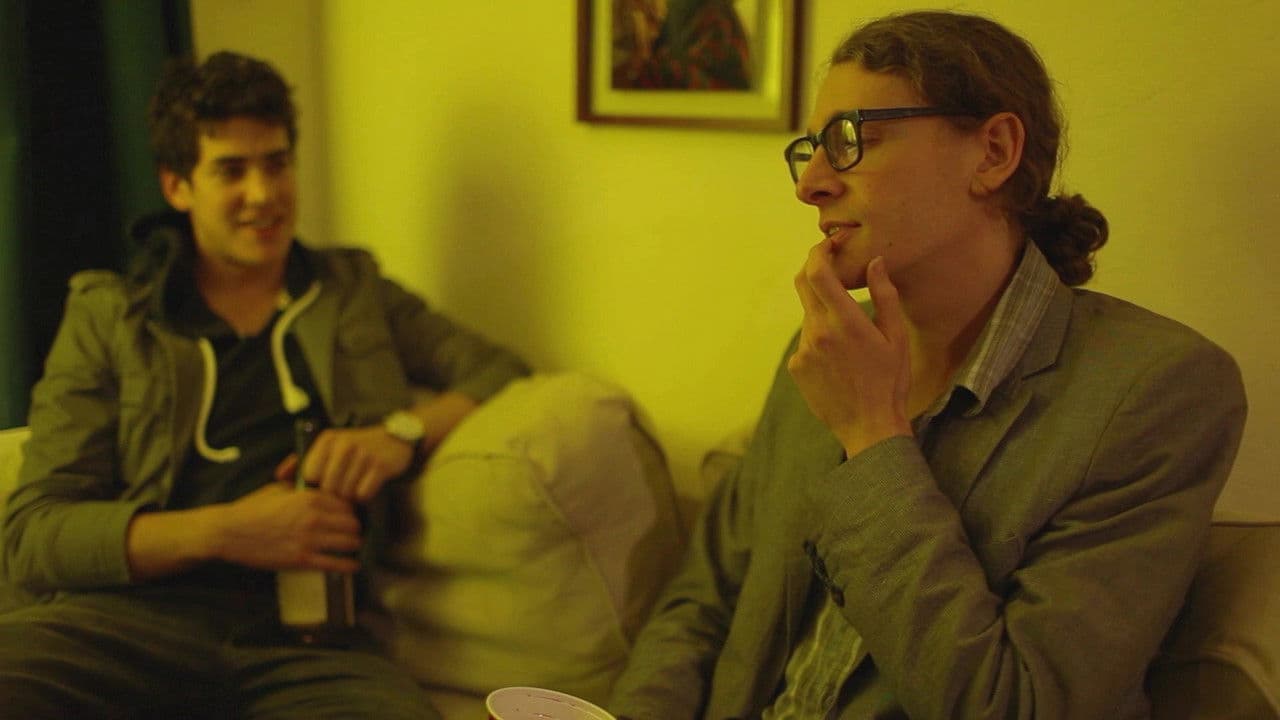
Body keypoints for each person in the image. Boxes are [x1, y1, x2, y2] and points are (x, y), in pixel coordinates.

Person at [609, 10, 1246, 720]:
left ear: (993, 153)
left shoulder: (1157, 392)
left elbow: (1019, 705)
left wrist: (872, 436)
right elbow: (702, 605)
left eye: (851, 140)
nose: (810, 184)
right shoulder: (824, 349)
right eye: (811, 149)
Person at [0, 51, 529, 718]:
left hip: (310, 641)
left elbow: (496, 369)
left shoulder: (352, 290)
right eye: (231, 170)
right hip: (126, 624)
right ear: (177, 187)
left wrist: (400, 434)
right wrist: (227, 531)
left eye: (277, 164)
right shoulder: (111, 316)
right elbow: (34, 536)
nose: (264, 195)